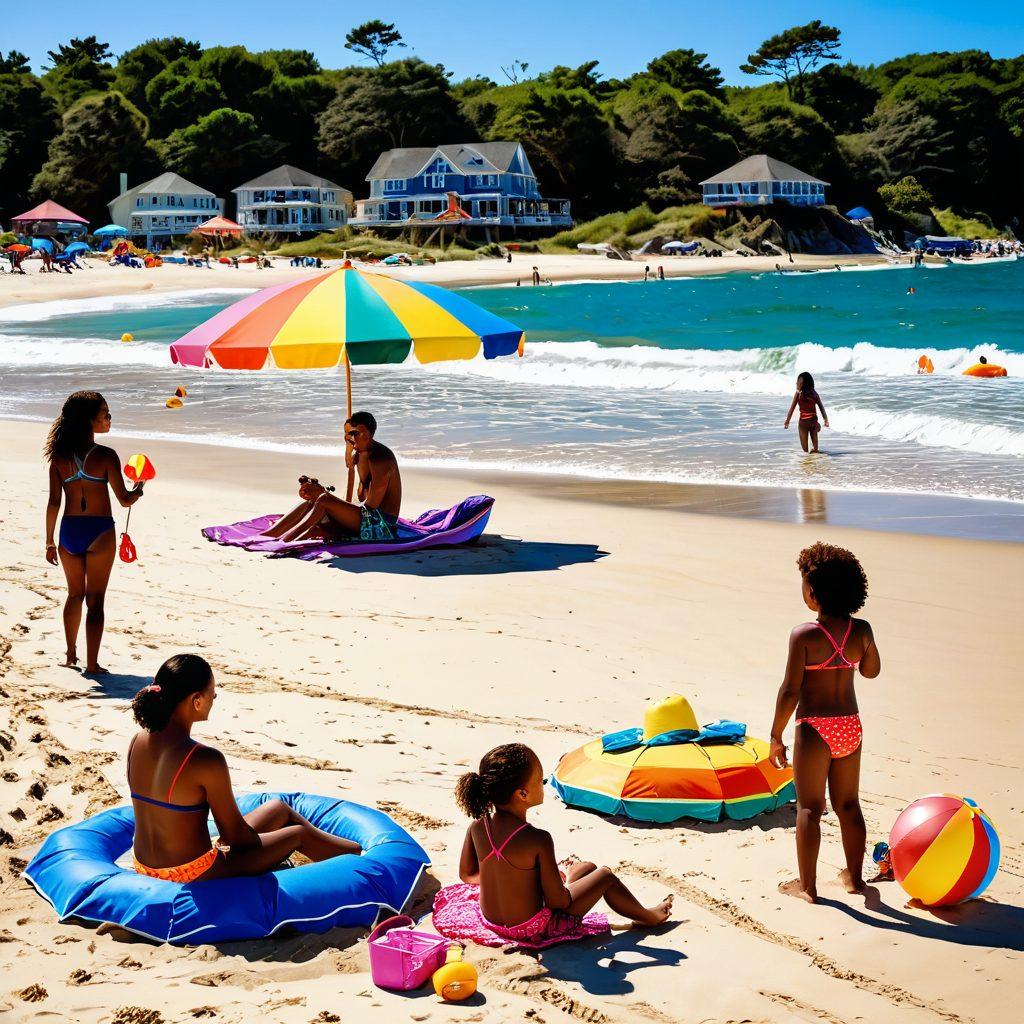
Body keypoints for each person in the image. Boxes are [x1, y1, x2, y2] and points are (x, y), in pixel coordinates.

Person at [128, 654, 361, 883]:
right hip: (192, 873)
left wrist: (258, 836)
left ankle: (344, 850)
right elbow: (235, 837)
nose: (214, 697)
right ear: (196, 700)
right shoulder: (205, 759)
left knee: (278, 810)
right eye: (212, 693)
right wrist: (271, 842)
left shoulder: (137, 741)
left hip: (144, 866)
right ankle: (361, 857)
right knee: (297, 835)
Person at [434, 744, 672, 945]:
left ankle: (572, 874)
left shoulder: (478, 826)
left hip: (491, 921)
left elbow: (467, 875)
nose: (544, 783)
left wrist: (507, 879)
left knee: (586, 868)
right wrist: (546, 884)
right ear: (523, 794)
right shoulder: (537, 839)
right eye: (540, 780)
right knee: (604, 876)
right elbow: (558, 902)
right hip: (531, 929)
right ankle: (647, 917)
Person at [769, 543, 881, 903]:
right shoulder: (861, 630)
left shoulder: (804, 635)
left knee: (809, 808)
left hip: (814, 727)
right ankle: (855, 879)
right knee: (848, 804)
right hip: (850, 726)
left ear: (813, 592)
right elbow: (871, 671)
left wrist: (775, 735)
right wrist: (863, 646)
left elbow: (790, 689)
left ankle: (808, 886)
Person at [44, 392, 145, 673]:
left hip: (68, 531)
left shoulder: (59, 457)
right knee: (96, 601)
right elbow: (124, 500)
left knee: (74, 595)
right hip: (99, 530)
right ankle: (92, 665)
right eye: (105, 413)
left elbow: (54, 502)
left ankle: (69, 655)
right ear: (89, 420)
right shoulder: (105, 456)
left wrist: (49, 541)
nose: (109, 418)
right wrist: (139, 489)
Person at [263, 411, 402, 543]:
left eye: (354, 434)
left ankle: (285, 541)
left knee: (323, 499)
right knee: (312, 501)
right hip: (365, 517)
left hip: (381, 525)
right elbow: (357, 498)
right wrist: (323, 495)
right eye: (349, 435)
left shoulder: (380, 458)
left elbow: (371, 507)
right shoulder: (360, 455)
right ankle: (268, 535)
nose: (351, 439)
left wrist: (325, 495)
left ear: (366, 434)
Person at [784, 371, 829, 453]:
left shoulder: (813, 394)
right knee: (805, 450)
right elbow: (792, 407)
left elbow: (821, 407)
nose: (796, 383)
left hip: (811, 422)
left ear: (804, 384)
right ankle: (818, 426)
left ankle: (817, 426)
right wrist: (787, 420)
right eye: (797, 382)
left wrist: (825, 420)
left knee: (815, 450)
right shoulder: (799, 394)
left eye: (799, 382)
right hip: (804, 424)